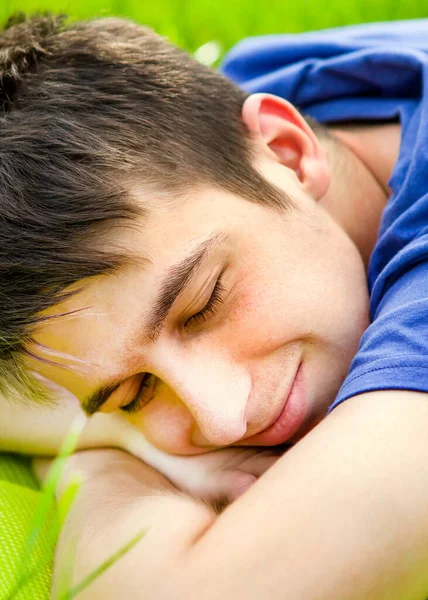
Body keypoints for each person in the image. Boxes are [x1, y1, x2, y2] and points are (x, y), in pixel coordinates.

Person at [1, 12, 428, 599]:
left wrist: (91, 468)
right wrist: (123, 437)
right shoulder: (232, 104)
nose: (223, 419)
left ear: (287, 151)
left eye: (205, 305)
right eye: (134, 396)